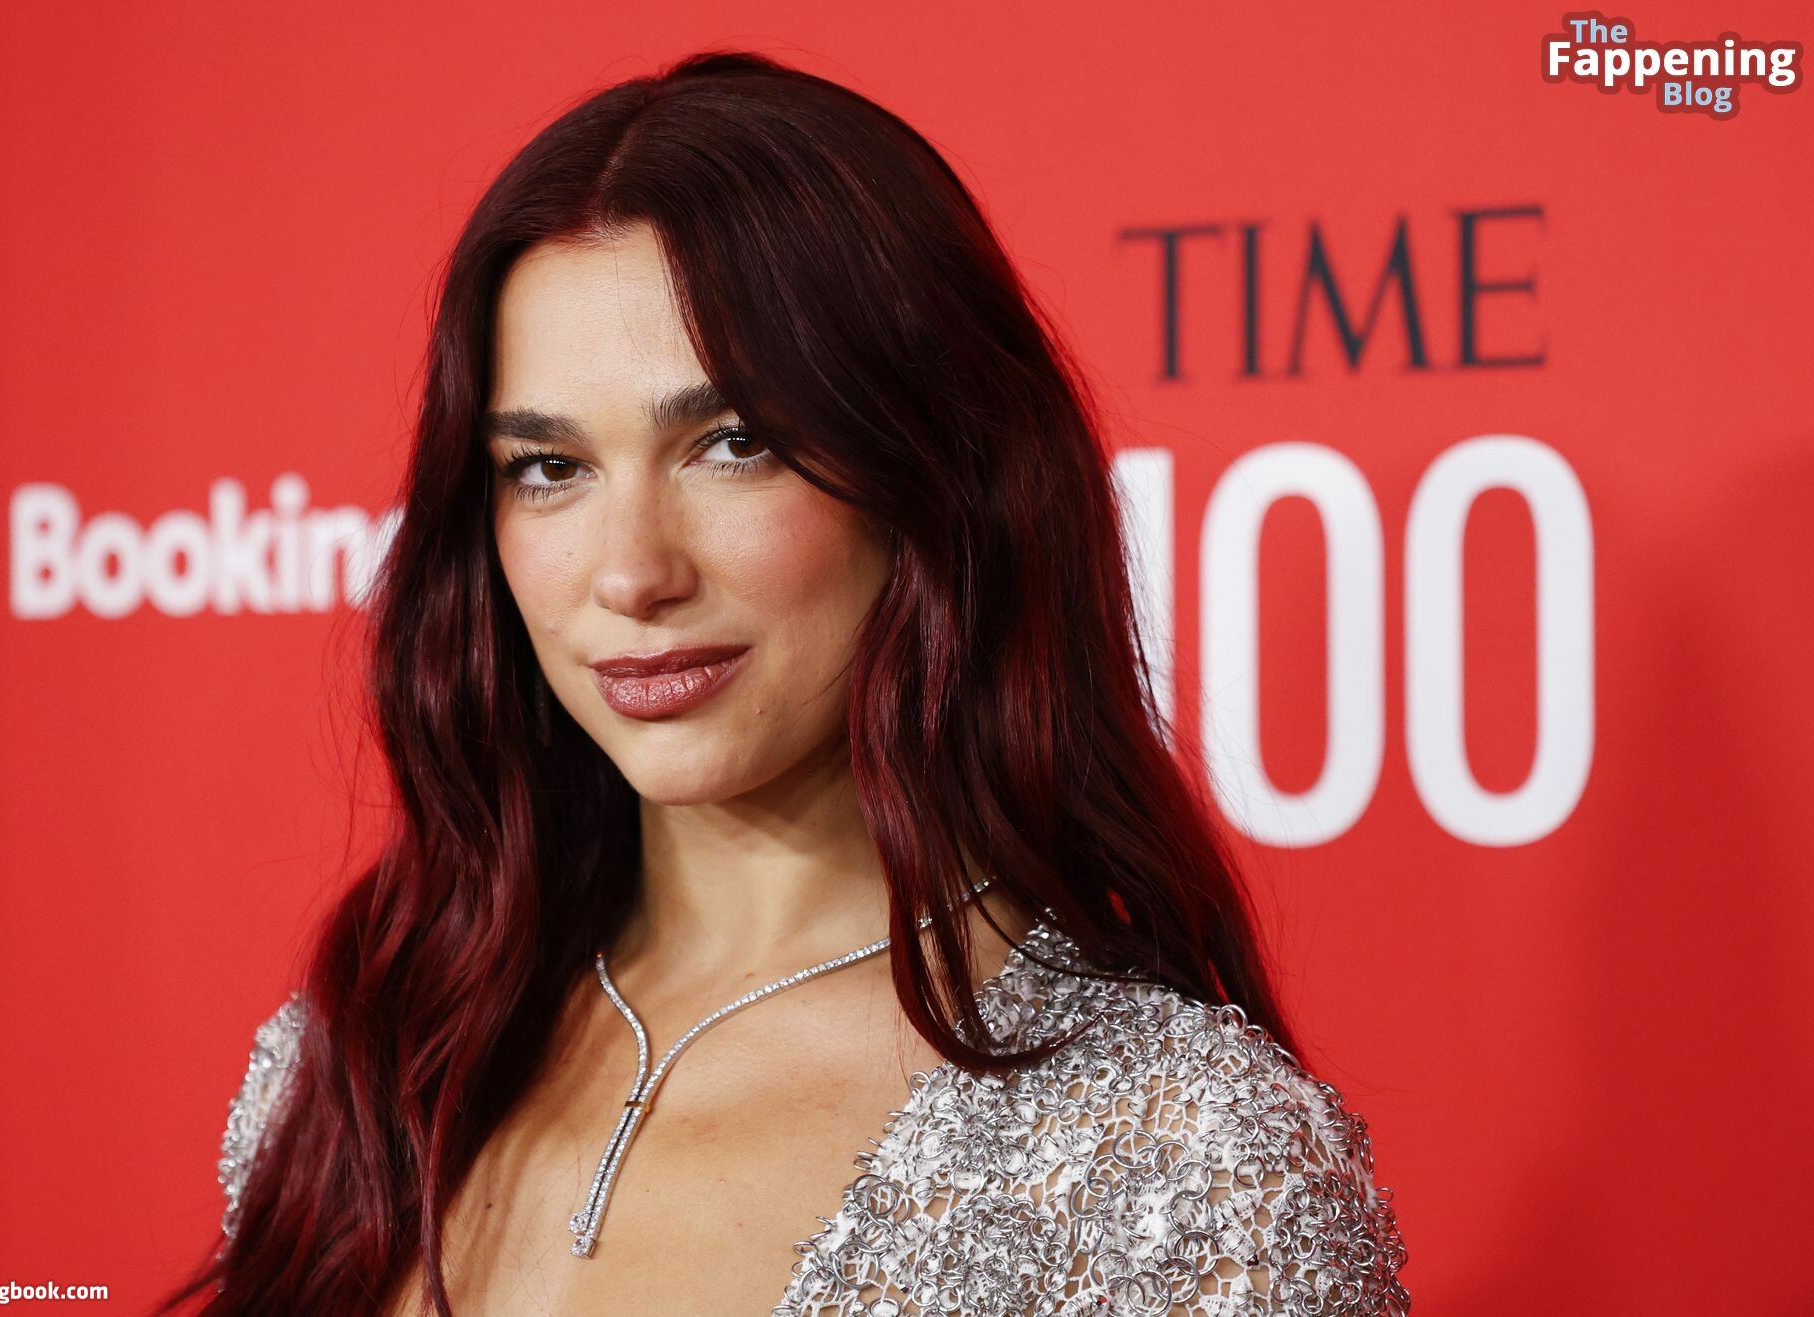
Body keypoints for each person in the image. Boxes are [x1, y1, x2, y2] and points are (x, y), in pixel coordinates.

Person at [163, 48, 1410, 1317]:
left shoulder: (1181, 1166)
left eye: (733, 444)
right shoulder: (364, 1065)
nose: (631, 574)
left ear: (935, 474)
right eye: (549, 468)